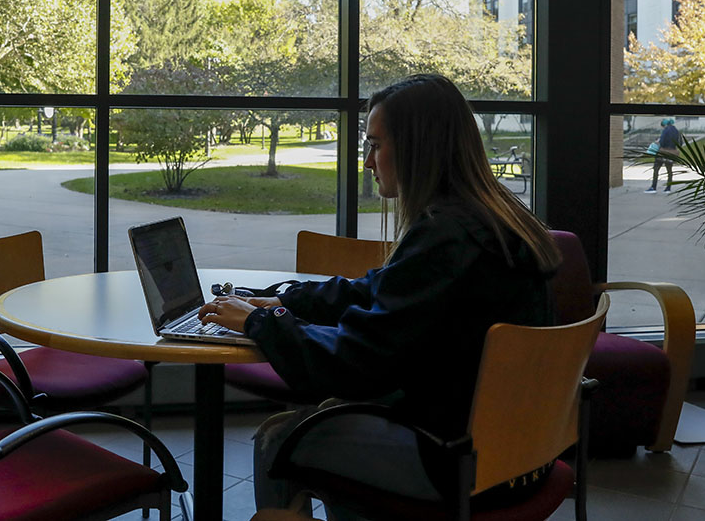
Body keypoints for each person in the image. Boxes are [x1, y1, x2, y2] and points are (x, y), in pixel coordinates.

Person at [198, 74, 562, 518]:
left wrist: (258, 323)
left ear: (416, 148)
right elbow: (380, 289)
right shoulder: (494, 218)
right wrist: (285, 302)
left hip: (458, 461)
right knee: (320, 423)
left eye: (375, 144)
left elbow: (354, 364)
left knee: (278, 437)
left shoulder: (445, 236)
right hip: (523, 454)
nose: (368, 162)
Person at [646, 117, 681, 193]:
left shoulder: (666, 130)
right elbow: (680, 143)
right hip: (672, 152)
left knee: (656, 169)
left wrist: (658, 141)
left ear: (664, 125)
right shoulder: (676, 131)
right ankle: (668, 188)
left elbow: (662, 142)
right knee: (669, 171)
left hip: (663, 152)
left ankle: (653, 187)